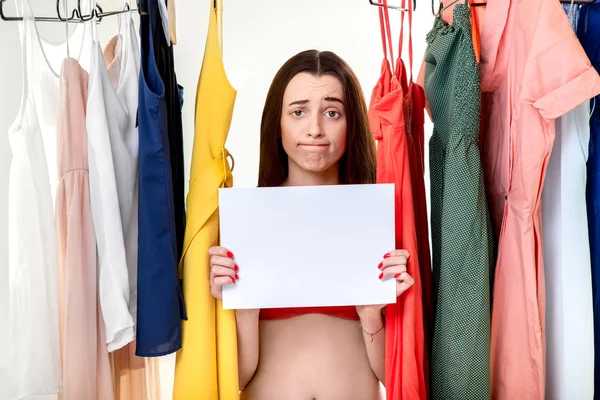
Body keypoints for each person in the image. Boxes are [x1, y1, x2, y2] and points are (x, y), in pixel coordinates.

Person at [208, 50, 414, 400]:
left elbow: (392, 378)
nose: (315, 128)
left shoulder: (380, 220)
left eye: (332, 112)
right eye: (299, 112)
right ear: (278, 123)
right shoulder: (245, 222)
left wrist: (371, 314)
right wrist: (244, 308)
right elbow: (238, 380)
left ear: (352, 124)